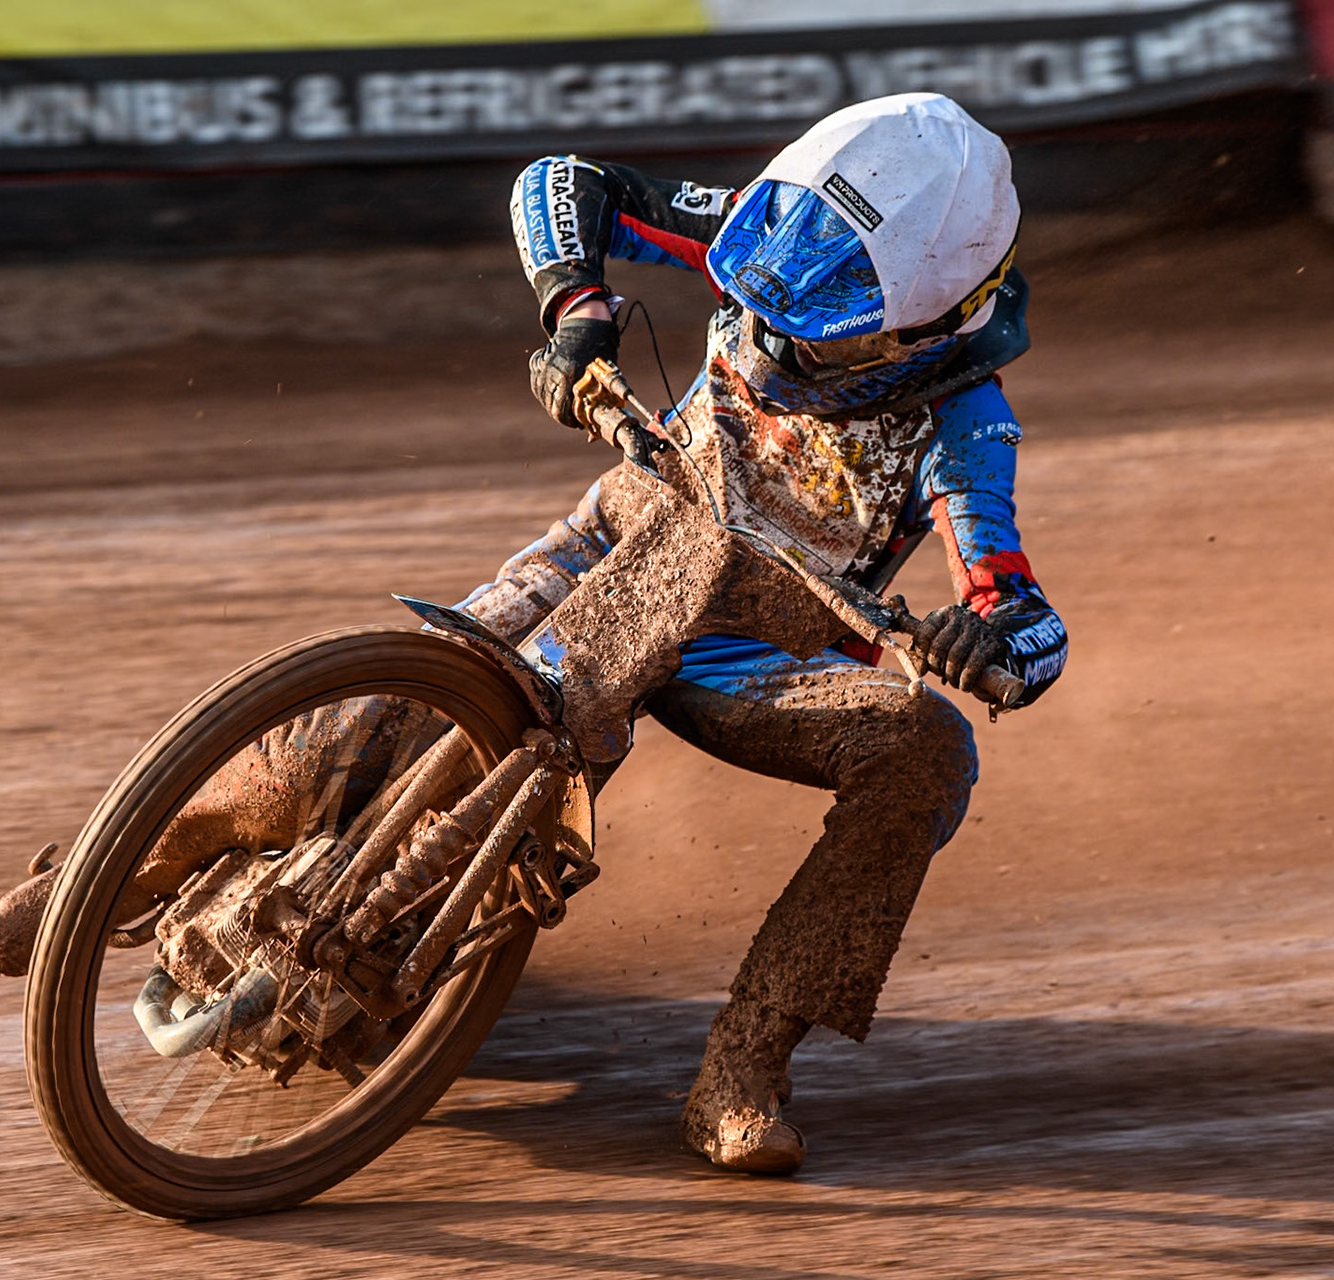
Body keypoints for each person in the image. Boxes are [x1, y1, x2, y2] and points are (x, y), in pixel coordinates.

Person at [456, 91, 1067, 1173]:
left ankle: (745, 1062)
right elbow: (557, 181)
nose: (776, 329)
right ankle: (131, 861)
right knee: (418, 687)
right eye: (770, 297)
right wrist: (577, 308)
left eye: (825, 329)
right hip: (629, 535)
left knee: (928, 745)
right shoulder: (774, 236)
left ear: (936, 320)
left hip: (764, 655)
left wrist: (995, 645)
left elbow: (1018, 608)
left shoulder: (965, 419)